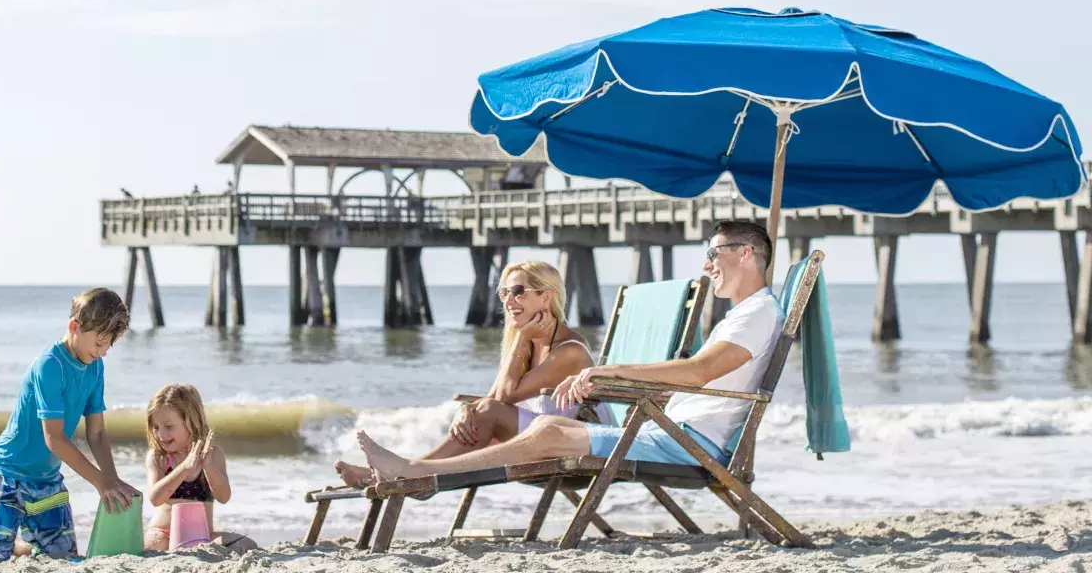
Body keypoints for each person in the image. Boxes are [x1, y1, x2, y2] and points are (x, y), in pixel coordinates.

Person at [355, 221, 782, 482]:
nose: (707, 264)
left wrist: (611, 371)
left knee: (548, 433)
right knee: (543, 431)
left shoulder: (758, 312)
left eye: (713, 253)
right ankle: (410, 471)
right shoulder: (742, 315)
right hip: (670, 431)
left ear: (745, 253)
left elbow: (697, 372)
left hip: (690, 444)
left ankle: (415, 473)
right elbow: (698, 378)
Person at [334, 261, 612, 488]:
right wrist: (468, 409)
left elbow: (504, 397)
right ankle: (404, 474)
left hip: (577, 447)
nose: (509, 300)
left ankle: (412, 475)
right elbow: (495, 398)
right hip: (540, 440)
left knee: (486, 413)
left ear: (545, 296)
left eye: (518, 291)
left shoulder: (569, 351)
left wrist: (520, 338)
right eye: (504, 293)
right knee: (478, 416)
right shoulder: (534, 341)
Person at [0, 288, 140, 561]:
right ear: (74, 327)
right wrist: (100, 482)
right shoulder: (49, 365)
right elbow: (54, 438)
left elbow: (98, 432)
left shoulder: (95, 367)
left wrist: (112, 479)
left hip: (47, 478)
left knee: (61, 558)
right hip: (10, 473)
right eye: (99, 342)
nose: (102, 352)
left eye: (108, 345)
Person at [143, 384, 257, 552]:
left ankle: (202, 550)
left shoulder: (213, 454)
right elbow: (155, 498)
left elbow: (224, 497)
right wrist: (184, 468)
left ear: (191, 421)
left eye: (169, 426)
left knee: (248, 544)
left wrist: (208, 467)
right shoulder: (158, 457)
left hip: (202, 536)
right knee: (155, 542)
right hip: (164, 533)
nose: (161, 434)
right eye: (156, 427)